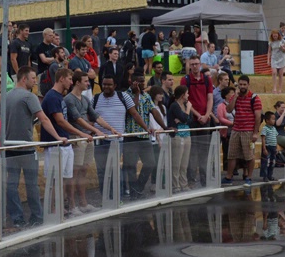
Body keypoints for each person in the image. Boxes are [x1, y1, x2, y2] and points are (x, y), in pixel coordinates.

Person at [6, 66, 67, 226]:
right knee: (31, 184)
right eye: (33, 79)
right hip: (25, 147)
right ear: (24, 79)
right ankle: (37, 216)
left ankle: (17, 218)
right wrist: (57, 136)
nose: (35, 82)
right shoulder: (29, 97)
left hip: (8, 147)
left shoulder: (6, 96)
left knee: (11, 185)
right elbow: (44, 119)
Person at [41, 68, 93, 216]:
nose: (71, 82)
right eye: (69, 79)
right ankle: (52, 209)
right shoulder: (52, 97)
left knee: (64, 178)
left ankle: (60, 207)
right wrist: (81, 133)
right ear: (61, 78)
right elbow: (60, 121)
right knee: (55, 179)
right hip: (55, 144)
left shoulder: (59, 97)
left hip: (65, 142)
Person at [65, 71, 116, 213]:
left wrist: (109, 129)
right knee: (74, 173)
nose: (88, 83)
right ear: (77, 82)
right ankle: (72, 205)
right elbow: (78, 119)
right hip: (77, 138)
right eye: (86, 81)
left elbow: (95, 116)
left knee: (83, 171)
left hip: (87, 138)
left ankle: (83, 202)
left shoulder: (85, 99)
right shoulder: (69, 99)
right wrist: (97, 131)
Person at [124, 68, 167, 197]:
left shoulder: (146, 96)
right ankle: (133, 192)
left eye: (144, 81)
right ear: (133, 82)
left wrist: (165, 126)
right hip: (131, 136)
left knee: (150, 163)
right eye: (140, 82)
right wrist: (136, 94)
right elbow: (134, 110)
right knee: (131, 166)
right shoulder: (126, 95)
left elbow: (154, 112)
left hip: (144, 136)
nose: (143, 84)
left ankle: (137, 187)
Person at [180, 49, 213, 187]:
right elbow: (185, 100)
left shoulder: (207, 79)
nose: (194, 66)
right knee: (192, 151)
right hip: (192, 120)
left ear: (200, 64)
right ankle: (191, 181)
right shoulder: (185, 80)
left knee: (204, 151)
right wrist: (197, 114)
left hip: (205, 119)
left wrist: (207, 115)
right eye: (192, 64)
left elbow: (210, 98)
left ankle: (205, 181)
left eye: (196, 64)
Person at [221, 75, 262, 187]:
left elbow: (258, 116)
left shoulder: (255, 98)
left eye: (244, 84)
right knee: (232, 154)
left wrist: (255, 133)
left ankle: (249, 176)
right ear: (238, 85)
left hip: (248, 131)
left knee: (249, 155)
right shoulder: (236, 96)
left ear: (248, 85)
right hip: (236, 129)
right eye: (241, 84)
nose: (242, 86)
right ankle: (229, 177)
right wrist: (234, 98)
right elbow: (228, 110)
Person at [168, 85, 192, 192]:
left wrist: (184, 118)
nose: (188, 95)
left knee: (184, 163)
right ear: (183, 95)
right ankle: (175, 185)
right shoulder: (175, 106)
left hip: (186, 135)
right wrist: (187, 110)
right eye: (187, 93)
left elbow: (189, 120)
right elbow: (184, 118)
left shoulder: (185, 105)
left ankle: (184, 184)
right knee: (176, 163)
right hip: (177, 136)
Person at [216, 86, 235, 172]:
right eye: (231, 93)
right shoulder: (221, 106)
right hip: (227, 131)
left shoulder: (236, 104)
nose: (233, 94)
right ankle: (227, 169)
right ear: (226, 95)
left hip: (236, 130)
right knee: (227, 150)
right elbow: (221, 118)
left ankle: (235, 168)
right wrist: (232, 123)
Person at [268, 29, 285, 94]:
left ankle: (280, 89)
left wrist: (283, 48)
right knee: (274, 72)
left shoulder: (282, 41)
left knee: (280, 74)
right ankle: (274, 88)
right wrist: (268, 60)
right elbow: (269, 51)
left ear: (278, 35)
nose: (275, 37)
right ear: (272, 36)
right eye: (274, 36)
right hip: (274, 58)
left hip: (281, 58)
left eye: (276, 36)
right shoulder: (271, 42)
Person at [260, 112, 279, 182]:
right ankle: (264, 176)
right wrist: (264, 148)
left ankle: (270, 175)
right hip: (267, 147)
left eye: (274, 119)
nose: (274, 120)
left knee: (272, 162)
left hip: (273, 147)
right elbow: (263, 138)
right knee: (265, 162)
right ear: (267, 120)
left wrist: (277, 147)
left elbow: (275, 138)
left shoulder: (274, 128)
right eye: (273, 119)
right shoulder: (265, 128)